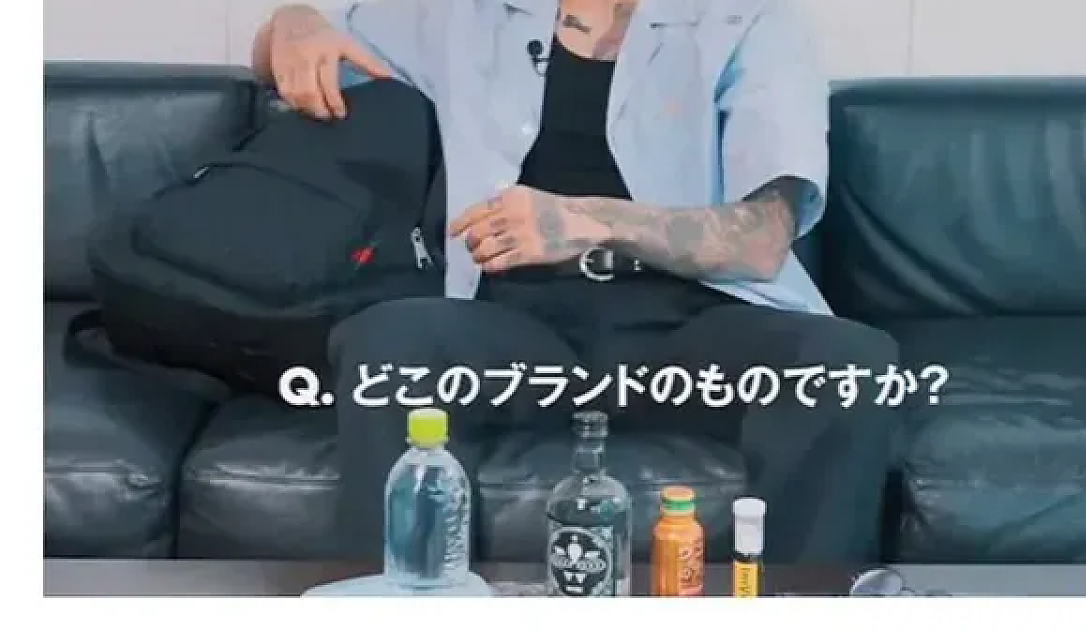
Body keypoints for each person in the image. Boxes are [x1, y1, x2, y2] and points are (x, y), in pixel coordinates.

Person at [251, 0, 900, 563]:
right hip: (515, 322)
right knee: (390, 343)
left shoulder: (748, 20)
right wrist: (294, 23)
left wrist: (589, 220)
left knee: (848, 363)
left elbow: (761, 239)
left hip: (693, 322)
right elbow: (297, 49)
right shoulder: (465, 15)